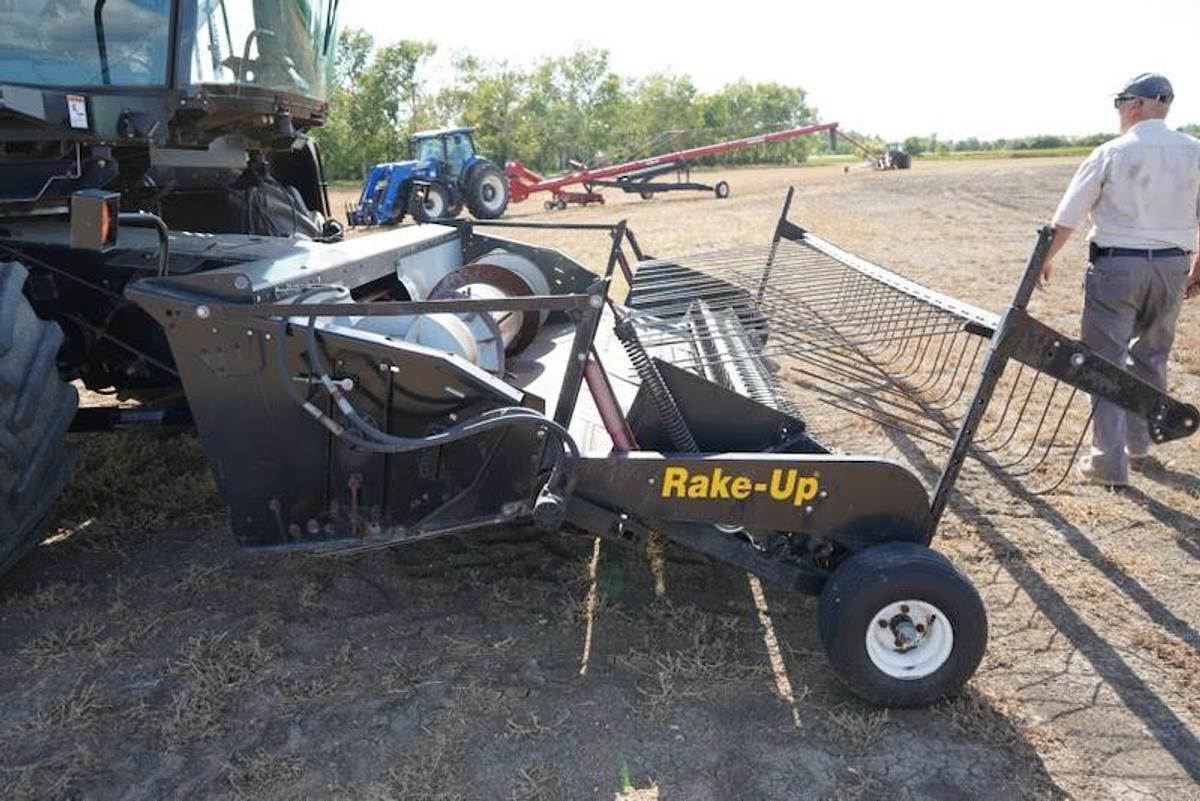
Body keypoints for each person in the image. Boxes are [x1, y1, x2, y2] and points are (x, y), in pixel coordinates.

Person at [1038, 73, 1200, 486]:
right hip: (1171, 267)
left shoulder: (1110, 153)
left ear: (1134, 105)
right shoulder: (1195, 152)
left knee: (1103, 362)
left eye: (1119, 104)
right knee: (1152, 355)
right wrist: (1198, 267)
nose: (1118, 112)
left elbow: (1067, 218)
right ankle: (1140, 443)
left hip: (1116, 268)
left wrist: (1045, 260)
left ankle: (1108, 464)